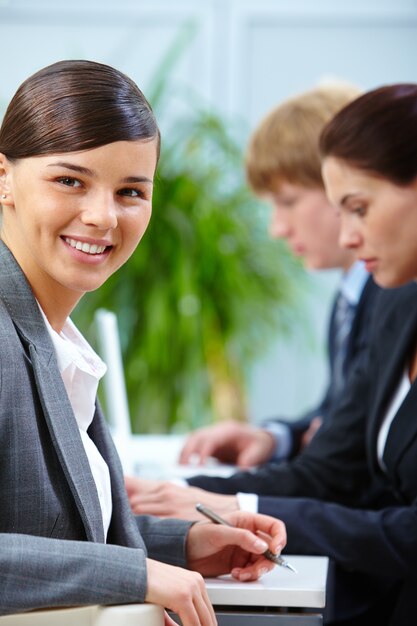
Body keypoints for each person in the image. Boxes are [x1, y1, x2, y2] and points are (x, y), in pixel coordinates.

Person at [0, 59, 288, 625]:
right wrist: (138, 573)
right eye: (70, 181)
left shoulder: (47, 334)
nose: (103, 217)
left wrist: (181, 543)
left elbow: (45, 526)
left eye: (131, 191)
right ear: (4, 178)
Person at [125, 84, 417, 625]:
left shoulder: (387, 293)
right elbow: (334, 461)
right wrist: (200, 497)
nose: (350, 238)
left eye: (357, 207)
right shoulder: (400, 305)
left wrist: (239, 508)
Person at [176, 82, 380, 471]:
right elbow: (334, 413)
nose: (277, 228)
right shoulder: (350, 297)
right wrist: (273, 438)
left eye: (287, 202)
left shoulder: (392, 297)